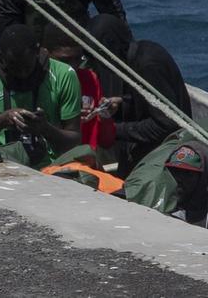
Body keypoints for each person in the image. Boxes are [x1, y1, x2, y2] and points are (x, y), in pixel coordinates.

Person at [87, 14, 191, 176]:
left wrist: (116, 130)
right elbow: (151, 103)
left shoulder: (147, 65)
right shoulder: (139, 54)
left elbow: (166, 124)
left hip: (166, 151)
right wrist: (123, 103)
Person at [0, 25, 83, 168]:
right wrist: (3, 120)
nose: (22, 73)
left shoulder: (64, 75)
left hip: (50, 165)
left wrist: (45, 128)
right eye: (14, 67)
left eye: (27, 67)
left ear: (38, 52)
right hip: (0, 160)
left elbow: (74, 140)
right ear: (0, 56)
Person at [41, 23, 115, 152]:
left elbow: (106, 141)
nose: (72, 67)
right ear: (46, 54)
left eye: (77, 59)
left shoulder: (90, 79)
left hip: (85, 161)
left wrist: (106, 116)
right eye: (64, 61)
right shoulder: (38, 83)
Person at [163, 143, 208, 226]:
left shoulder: (204, 215)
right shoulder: (157, 201)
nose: (179, 178)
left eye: (188, 173)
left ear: (203, 178)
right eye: (175, 171)